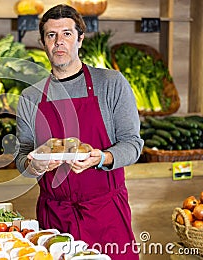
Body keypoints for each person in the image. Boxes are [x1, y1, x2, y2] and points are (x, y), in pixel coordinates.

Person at [15, 4, 144, 259]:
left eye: (67, 34)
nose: (59, 42)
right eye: (51, 35)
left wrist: (102, 158)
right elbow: (22, 158)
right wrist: (36, 166)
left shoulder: (111, 84)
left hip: (106, 214)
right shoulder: (30, 97)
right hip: (55, 219)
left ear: (80, 39)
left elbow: (132, 144)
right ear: (43, 42)